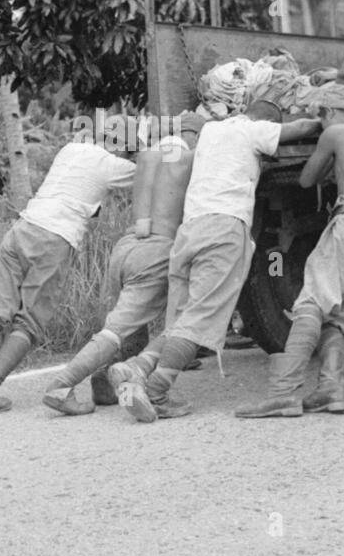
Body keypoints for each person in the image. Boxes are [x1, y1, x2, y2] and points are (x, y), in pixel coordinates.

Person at [109, 100, 322, 422]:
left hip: (188, 231)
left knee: (182, 319)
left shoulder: (210, 130)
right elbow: (302, 129)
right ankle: (156, 392)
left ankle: (134, 367)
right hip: (223, 230)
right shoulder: (251, 128)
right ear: (264, 120)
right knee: (200, 322)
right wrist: (325, 119)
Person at [0, 136, 136, 416]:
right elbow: (153, 172)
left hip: (22, 228)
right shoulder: (111, 164)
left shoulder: (70, 149)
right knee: (29, 324)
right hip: (54, 238)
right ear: (120, 147)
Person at [235, 108, 344, 418]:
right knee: (338, 318)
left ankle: (283, 393)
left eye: (320, 117)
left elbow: (306, 179)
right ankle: (331, 389)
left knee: (311, 303)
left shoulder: (335, 133)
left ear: (331, 111)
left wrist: (334, 169)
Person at [42, 114, 205, 416]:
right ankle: (61, 385)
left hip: (126, 247)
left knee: (128, 328)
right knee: (121, 331)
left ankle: (105, 386)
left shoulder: (147, 155)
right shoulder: (192, 158)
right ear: (192, 135)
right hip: (156, 249)